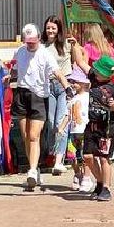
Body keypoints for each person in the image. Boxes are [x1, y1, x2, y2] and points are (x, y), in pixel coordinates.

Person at [13, 23, 66, 192]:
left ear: (38, 39)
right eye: (28, 42)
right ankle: (33, 168)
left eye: (33, 41)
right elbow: (15, 70)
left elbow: (57, 72)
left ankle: (32, 171)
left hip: (39, 96)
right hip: (21, 94)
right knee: (25, 136)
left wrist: (67, 86)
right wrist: (9, 76)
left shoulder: (44, 53)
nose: (30, 45)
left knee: (34, 136)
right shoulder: (20, 52)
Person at [84, 55, 114, 202]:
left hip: (108, 127)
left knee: (104, 158)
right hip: (92, 125)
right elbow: (81, 62)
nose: (95, 72)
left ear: (107, 74)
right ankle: (100, 182)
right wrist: (74, 44)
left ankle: (106, 188)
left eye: (99, 71)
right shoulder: (93, 78)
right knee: (88, 157)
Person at [41, 17, 75, 175]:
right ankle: (53, 154)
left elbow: (79, 59)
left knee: (61, 121)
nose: (51, 31)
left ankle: (59, 161)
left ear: (59, 29)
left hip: (64, 85)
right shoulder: (42, 46)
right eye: (48, 28)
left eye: (53, 28)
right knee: (51, 123)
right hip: (48, 86)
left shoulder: (67, 44)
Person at [56, 66, 93, 194]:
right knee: (71, 156)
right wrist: (61, 127)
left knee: (84, 156)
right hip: (73, 131)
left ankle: (85, 177)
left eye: (76, 82)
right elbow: (68, 115)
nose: (73, 84)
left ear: (83, 83)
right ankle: (77, 173)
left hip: (84, 130)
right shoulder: (72, 99)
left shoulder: (88, 97)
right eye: (72, 82)